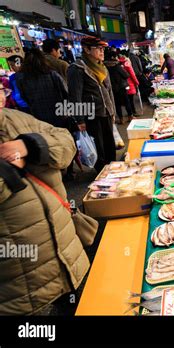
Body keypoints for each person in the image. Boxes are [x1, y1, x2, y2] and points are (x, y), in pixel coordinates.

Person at [0, 84, 95, 315]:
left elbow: (65, 141)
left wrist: (30, 145)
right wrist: (8, 171)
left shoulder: (14, 119)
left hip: (67, 253)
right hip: (20, 283)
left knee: (85, 305)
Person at [68, 36, 117, 172]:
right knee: (98, 147)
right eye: (99, 49)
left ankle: (113, 169)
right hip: (92, 115)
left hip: (106, 112)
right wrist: (79, 120)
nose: (102, 51)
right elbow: (74, 96)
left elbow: (109, 90)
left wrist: (113, 111)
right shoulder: (77, 68)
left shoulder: (102, 67)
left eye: (103, 49)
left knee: (110, 145)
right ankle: (102, 174)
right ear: (87, 49)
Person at [16, 48, 69, 129]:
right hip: (59, 114)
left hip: (38, 117)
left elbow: (24, 97)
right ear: (42, 59)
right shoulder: (51, 74)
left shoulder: (21, 78)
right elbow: (65, 92)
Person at [104, 50, 130, 124]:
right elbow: (126, 75)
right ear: (113, 57)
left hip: (112, 89)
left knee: (117, 104)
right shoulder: (117, 66)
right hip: (121, 88)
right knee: (126, 102)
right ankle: (130, 116)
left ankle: (121, 119)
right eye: (116, 56)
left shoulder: (105, 67)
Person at [119, 51, 140, 121]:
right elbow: (132, 75)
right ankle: (133, 113)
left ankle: (130, 113)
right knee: (130, 100)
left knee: (127, 100)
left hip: (123, 85)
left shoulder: (120, 64)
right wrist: (137, 82)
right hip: (130, 84)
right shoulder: (127, 64)